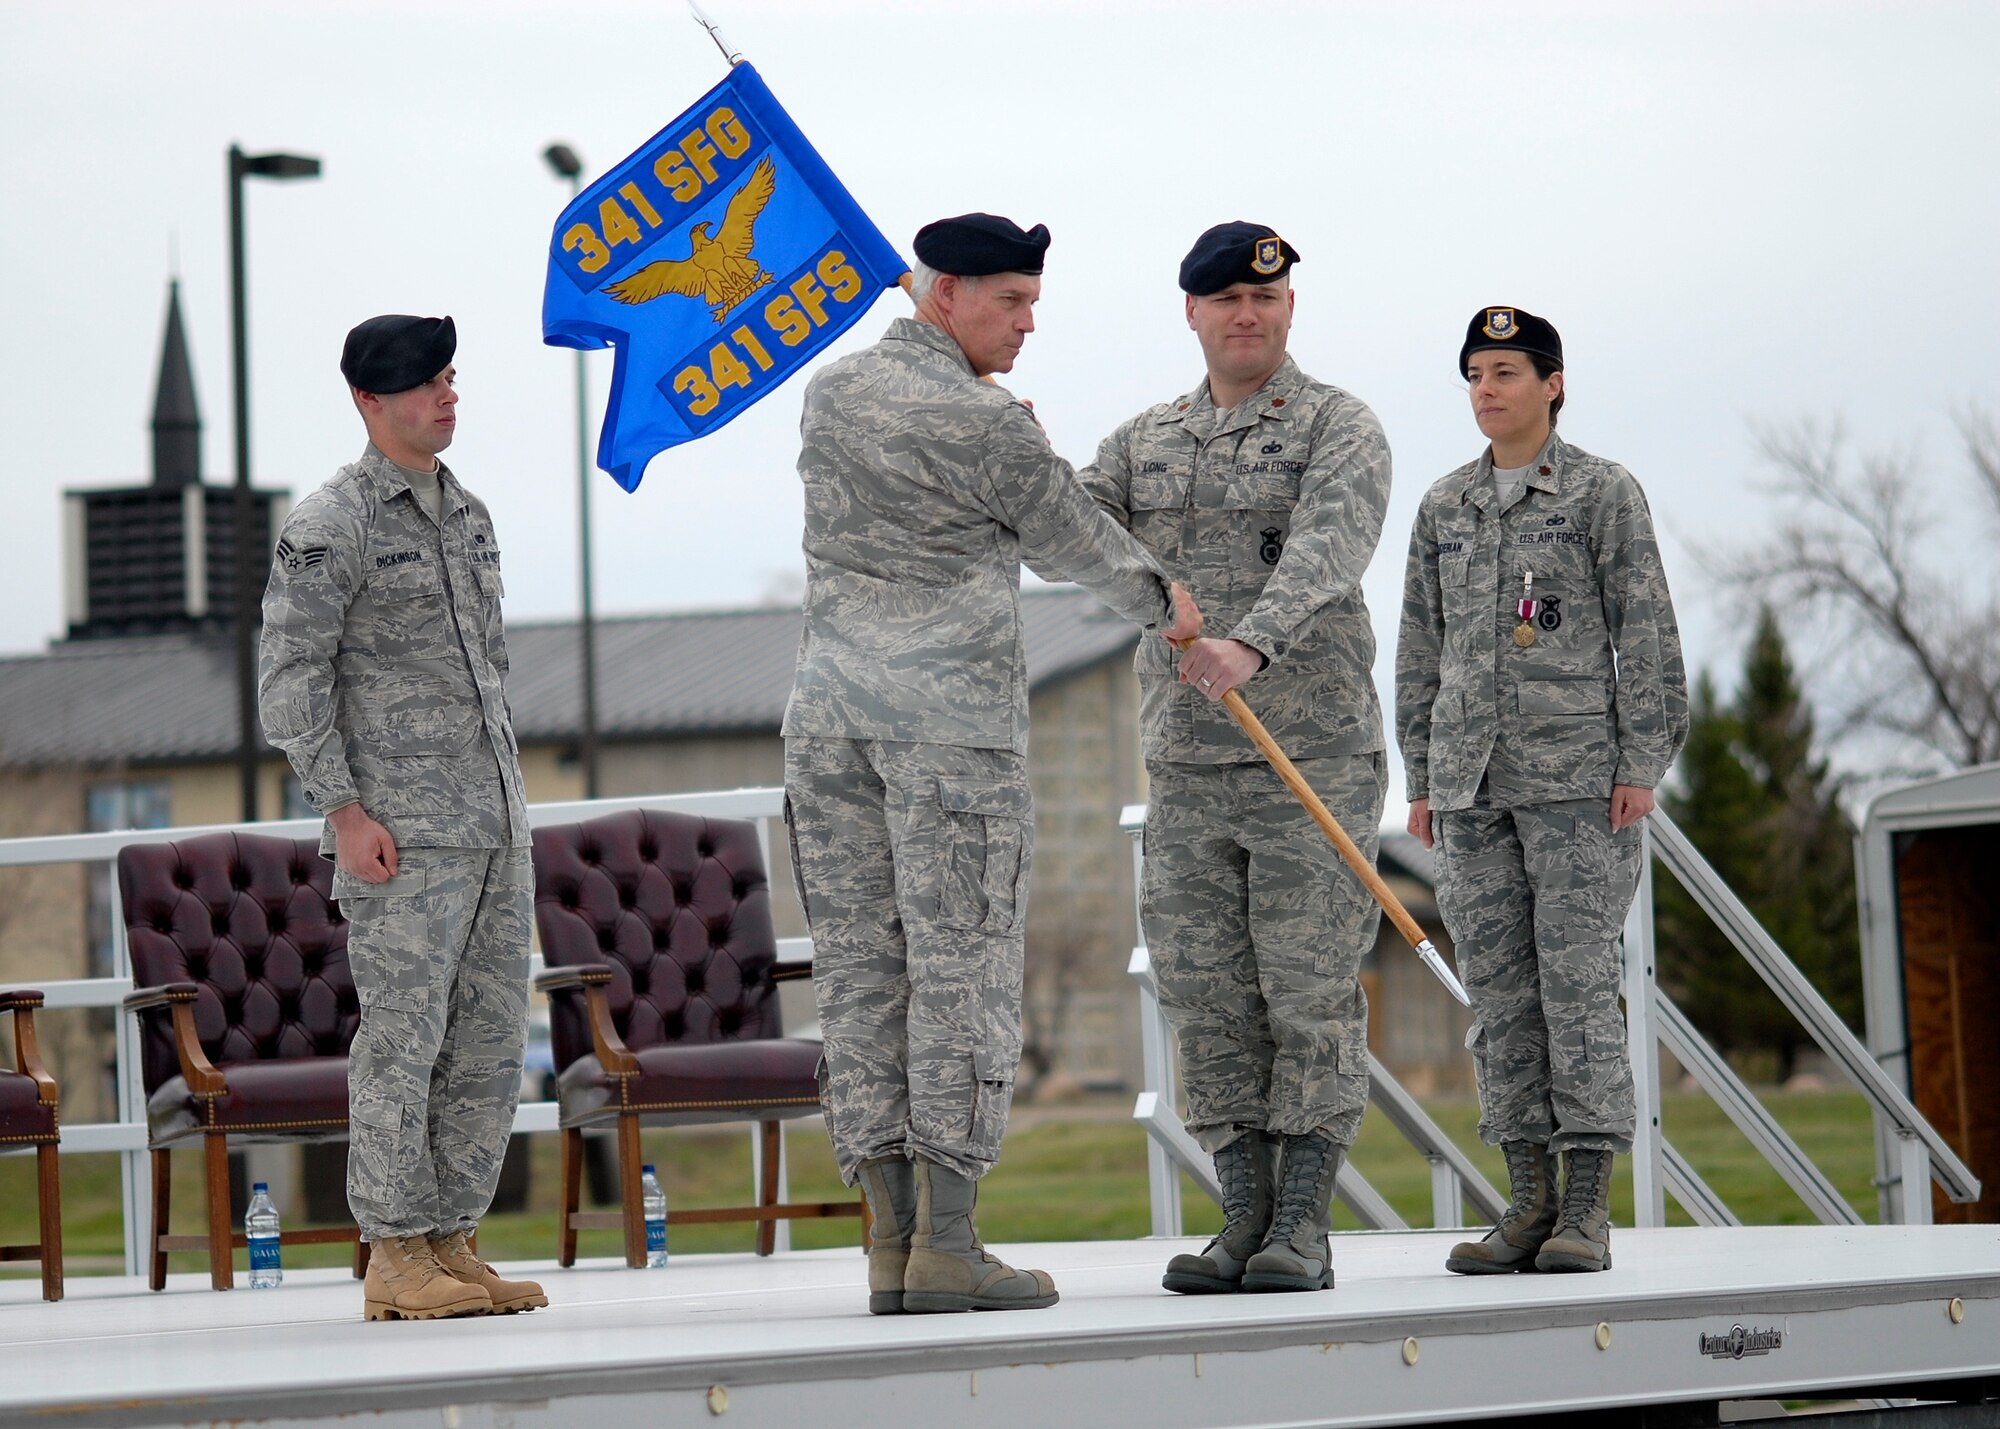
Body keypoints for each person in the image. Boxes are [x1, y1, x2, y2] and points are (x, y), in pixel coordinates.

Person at [782, 213, 1202, 1316]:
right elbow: (1073, 538)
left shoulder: (830, 391)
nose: (1024, 324)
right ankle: (952, 1246)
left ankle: (890, 1245)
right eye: (1008, 302)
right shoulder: (986, 423)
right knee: (959, 975)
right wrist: (1169, 602)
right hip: (945, 730)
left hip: (828, 722)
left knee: (863, 981)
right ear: (943, 294)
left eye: (1031, 304)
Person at [1080, 222, 1392, 1295]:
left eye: (1265, 299)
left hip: (1309, 753)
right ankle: (1241, 1218)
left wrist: (1248, 640)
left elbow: (1328, 547)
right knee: (1207, 994)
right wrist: (1005, 452)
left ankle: (1301, 1224)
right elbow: (1069, 529)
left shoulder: (1336, 427)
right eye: (1225, 301)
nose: (1246, 315)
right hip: (1187, 764)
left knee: (1304, 991)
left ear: (1287, 309)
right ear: (1192, 314)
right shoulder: (1142, 442)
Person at [259, 315, 545, 1321]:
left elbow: (491, 676)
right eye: (425, 384)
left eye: (450, 378)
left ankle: (448, 1242)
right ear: (368, 401)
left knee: (486, 1041)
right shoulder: (333, 523)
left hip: (492, 822)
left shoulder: (465, 514)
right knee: (403, 1040)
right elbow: (291, 678)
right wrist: (341, 807)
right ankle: (391, 1250)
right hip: (400, 833)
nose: (446, 396)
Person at [1395, 306, 1688, 1275]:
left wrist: (1641, 761)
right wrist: (1421, 776)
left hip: (1575, 791)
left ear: (1551, 384)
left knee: (1573, 991)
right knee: (1498, 999)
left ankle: (1586, 1213)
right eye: (1474, 373)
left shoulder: (1600, 493)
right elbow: (1418, 651)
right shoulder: (1443, 508)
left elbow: (1642, 632)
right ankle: (1524, 1204)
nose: (1486, 388)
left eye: (1507, 372)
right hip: (1471, 791)